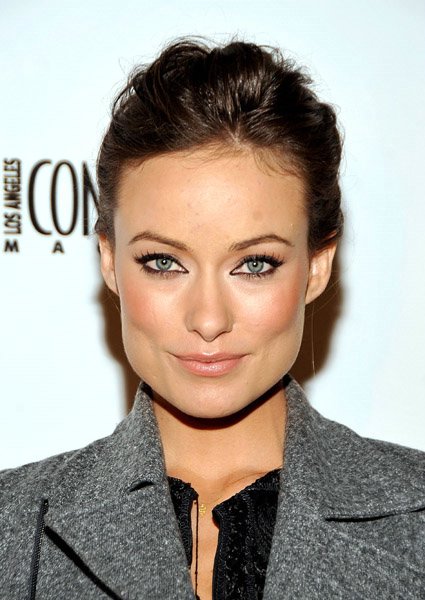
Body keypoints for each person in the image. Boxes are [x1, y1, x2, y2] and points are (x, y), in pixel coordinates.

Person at [1, 39, 424, 600]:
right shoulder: (12, 526)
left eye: (255, 264)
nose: (207, 319)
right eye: (163, 262)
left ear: (317, 268)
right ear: (109, 261)